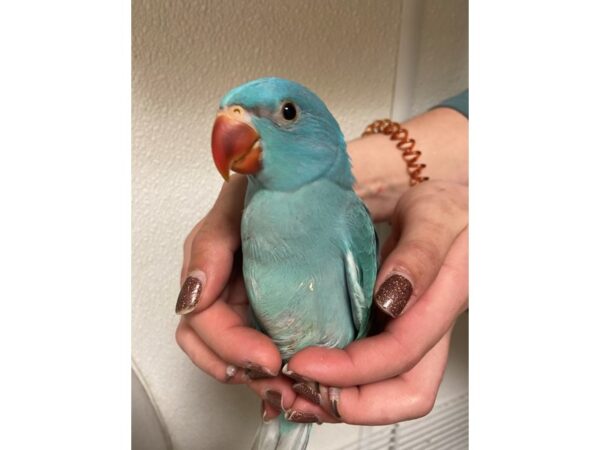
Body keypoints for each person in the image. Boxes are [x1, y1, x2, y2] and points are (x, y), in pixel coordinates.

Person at [175, 91, 468, 425]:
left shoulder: (351, 221)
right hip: (272, 366)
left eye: (287, 112)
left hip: (330, 369)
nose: (237, 120)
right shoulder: (247, 207)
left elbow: (358, 317)